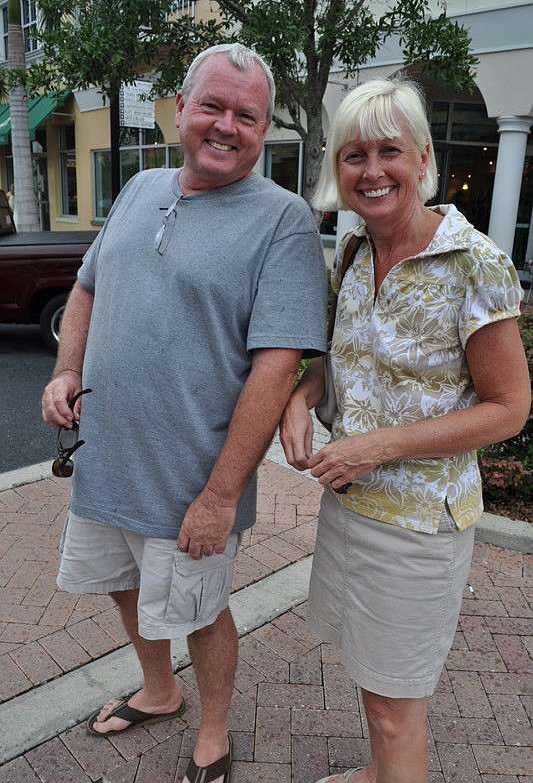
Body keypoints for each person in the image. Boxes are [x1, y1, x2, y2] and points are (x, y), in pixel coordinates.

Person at [42, 43, 327, 783]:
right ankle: (160, 689)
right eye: (213, 106)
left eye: (247, 115)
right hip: (105, 459)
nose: (227, 126)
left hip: (191, 481)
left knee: (201, 611)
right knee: (122, 583)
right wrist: (67, 368)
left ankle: (212, 724)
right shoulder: (138, 188)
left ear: (265, 129)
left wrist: (221, 495)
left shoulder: (282, 221)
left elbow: (275, 367)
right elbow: (87, 289)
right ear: (179, 106)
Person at [279, 76, 531, 783]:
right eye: (353, 154)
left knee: (397, 708)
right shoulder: (354, 251)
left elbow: (508, 408)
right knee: (371, 677)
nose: (371, 169)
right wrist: (299, 400)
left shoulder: (472, 261)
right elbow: (341, 363)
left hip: (419, 528)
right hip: (349, 508)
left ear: (422, 158)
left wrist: (374, 447)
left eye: (389, 150)